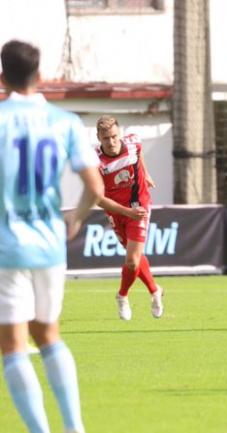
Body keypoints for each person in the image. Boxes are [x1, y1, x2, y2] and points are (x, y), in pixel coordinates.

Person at [0, 39, 104, 433]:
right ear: (40, 76)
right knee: (48, 335)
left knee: (12, 346)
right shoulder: (65, 122)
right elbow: (94, 187)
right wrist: (74, 220)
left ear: (2, 77)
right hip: (49, 246)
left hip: (7, 246)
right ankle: (74, 428)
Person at [94, 115, 163, 320]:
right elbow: (97, 199)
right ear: (98, 137)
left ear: (120, 133)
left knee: (132, 260)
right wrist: (125, 212)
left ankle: (122, 295)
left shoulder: (134, 142)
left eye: (114, 136)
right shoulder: (94, 161)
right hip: (116, 211)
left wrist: (146, 174)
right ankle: (155, 290)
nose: (111, 142)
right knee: (135, 258)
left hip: (138, 207)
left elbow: (139, 156)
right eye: (106, 138)